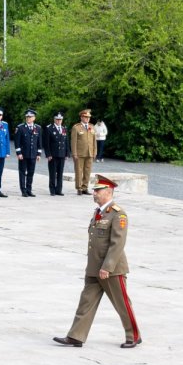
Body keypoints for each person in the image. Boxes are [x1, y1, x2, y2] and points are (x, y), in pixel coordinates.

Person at [54, 175, 141, 349]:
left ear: (109, 192)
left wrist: (107, 267)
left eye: (98, 190)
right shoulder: (99, 213)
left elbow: (117, 243)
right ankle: (76, 336)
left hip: (112, 269)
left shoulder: (118, 214)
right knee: (86, 302)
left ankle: (133, 336)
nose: (94, 193)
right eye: (94, 190)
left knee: (122, 303)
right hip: (94, 268)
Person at [14, 110, 43, 197]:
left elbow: (39, 142)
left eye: (30, 117)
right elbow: (17, 142)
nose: (28, 118)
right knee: (22, 172)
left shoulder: (38, 128)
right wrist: (19, 153)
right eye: (27, 117)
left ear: (34, 118)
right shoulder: (21, 127)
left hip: (33, 154)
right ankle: (23, 190)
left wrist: (38, 154)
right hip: (23, 154)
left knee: (31, 172)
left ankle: (29, 190)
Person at [70, 109, 97, 194]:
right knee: (79, 170)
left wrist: (95, 151)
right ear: (81, 117)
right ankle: (79, 188)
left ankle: (85, 187)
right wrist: (74, 153)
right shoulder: (76, 127)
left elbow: (94, 141)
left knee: (87, 171)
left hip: (90, 153)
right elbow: (73, 142)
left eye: (88, 117)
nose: (87, 119)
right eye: (85, 117)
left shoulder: (92, 126)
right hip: (79, 153)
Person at [45, 112, 70, 196]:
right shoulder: (49, 128)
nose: (59, 121)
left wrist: (67, 153)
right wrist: (48, 154)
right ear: (54, 119)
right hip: (53, 155)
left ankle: (59, 190)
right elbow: (46, 143)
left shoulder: (64, 128)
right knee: (52, 173)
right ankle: (52, 190)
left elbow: (66, 142)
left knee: (60, 173)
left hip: (62, 154)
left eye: (60, 119)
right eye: (57, 119)